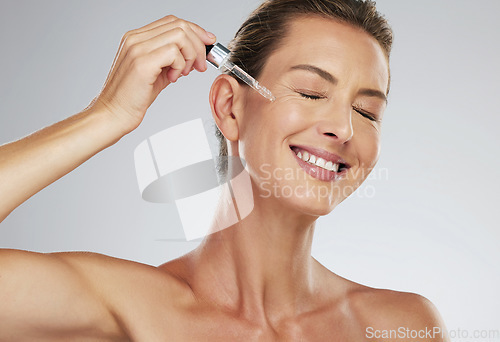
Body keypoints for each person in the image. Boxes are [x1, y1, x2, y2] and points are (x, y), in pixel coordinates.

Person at [0, 0, 449, 340]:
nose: (342, 127)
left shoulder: (401, 326)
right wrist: (107, 114)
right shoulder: (127, 311)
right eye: (312, 93)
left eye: (367, 111)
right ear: (229, 106)